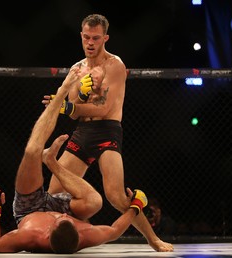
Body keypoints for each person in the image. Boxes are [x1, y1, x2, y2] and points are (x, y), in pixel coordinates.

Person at [43, 14, 173, 252]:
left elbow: (103, 107)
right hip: (83, 131)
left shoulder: (115, 65)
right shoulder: (76, 69)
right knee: (54, 193)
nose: (90, 42)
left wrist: (70, 106)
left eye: (95, 38)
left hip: (107, 132)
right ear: (81, 36)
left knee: (116, 196)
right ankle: (61, 237)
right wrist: (76, 97)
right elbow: (72, 109)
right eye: (86, 37)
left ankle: (153, 239)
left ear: (105, 38)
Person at [0, 68, 148, 254]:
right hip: (60, 202)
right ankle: (51, 161)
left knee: (31, 151)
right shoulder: (85, 235)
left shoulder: (29, 236)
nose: (61, 215)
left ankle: (62, 92)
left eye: (59, 220)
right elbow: (114, 231)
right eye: (67, 219)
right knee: (95, 202)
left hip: (29, 209)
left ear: (47, 233)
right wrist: (136, 207)